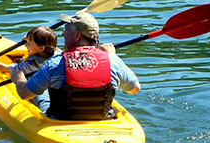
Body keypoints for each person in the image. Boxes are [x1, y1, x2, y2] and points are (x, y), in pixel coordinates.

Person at [10, 12, 141, 120]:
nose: (62, 34)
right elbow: (134, 89)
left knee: (41, 93)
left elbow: (24, 94)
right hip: (102, 120)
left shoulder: (54, 63)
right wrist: (114, 56)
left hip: (60, 121)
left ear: (77, 35)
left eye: (65, 30)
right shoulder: (114, 61)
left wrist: (19, 78)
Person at [0, 26, 58, 112]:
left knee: (37, 94)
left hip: (43, 93)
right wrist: (29, 38)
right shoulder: (57, 54)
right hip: (57, 89)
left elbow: (4, 68)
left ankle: (46, 111)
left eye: (29, 43)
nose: (26, 45)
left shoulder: (29, 66)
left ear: (41, 48)